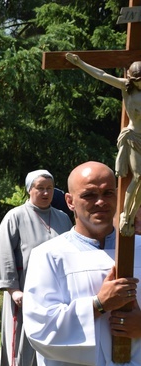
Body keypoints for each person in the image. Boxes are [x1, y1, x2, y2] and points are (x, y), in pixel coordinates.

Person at [23, 161, 141, 366]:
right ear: (71, 202)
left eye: (108, 193)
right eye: (89, 195)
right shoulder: (51, 256)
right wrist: (97, 304)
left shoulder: (140, 250)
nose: (101, 201)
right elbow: (40, 327)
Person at [0, 170, 72, 366]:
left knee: (52, 345)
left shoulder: (63, 218)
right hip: (24, 294)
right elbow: (5, 255)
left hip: (56, 295)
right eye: (40, 188)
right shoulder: (15, 217)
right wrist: (13, 289)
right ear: (29, 189)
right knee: (21, 347)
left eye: (50, 188)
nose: (46, 193)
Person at [66, 53, 141, 236]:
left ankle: (131, 216)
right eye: (137, 80)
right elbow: (101, 75)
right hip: (134, 137)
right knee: (139, 177)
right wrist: (80, 63)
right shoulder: (126, 87)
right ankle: (127, 215)